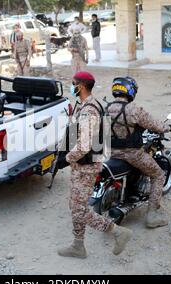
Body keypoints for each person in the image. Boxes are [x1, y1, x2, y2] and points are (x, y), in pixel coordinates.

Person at [58, 71, 132, 259]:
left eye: (73, 83)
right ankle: (78, 245)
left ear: (81, 86)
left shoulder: (89, 110)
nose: (71, 86)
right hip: (84, 164)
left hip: (86, 167)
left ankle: (117, 231)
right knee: (76, 206)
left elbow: (84, 145)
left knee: (79, 209)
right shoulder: (89, 104)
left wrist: (66, 158)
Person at [106, 77, 171, 228]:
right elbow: (155, 125)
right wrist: (167, 127)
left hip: (111, 152)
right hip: (132, 154)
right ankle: (152, 215)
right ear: (131, 91)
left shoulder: (105, 109)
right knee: (159, 175)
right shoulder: (134, 110)